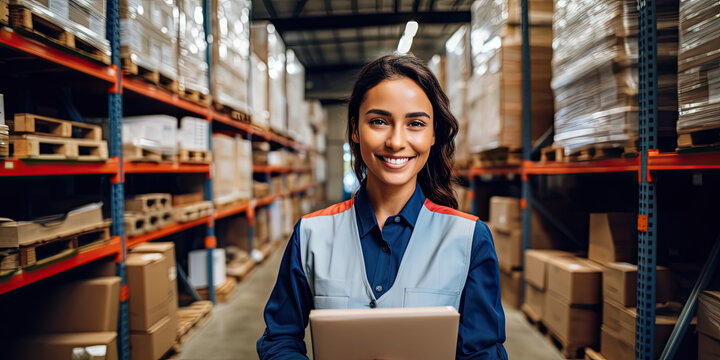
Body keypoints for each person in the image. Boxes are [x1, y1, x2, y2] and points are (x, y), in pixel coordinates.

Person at [257, 55, 508, 359]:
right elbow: (280, 338)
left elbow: (483, 351)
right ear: (355, 129)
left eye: (415, 123)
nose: (396, 141)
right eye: (379, 121)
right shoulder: (312, 234)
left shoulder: (469, 239)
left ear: (433, 134)